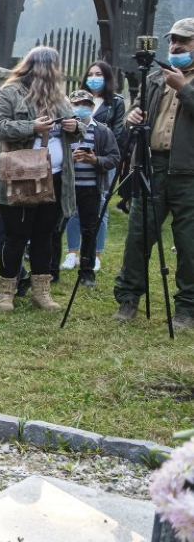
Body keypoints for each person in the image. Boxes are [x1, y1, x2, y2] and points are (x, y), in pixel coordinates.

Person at [0, 46, 84, 312]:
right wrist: (32, 127)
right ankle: (6, 291)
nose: (50, 72)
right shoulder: (10, 92)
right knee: (15, 236)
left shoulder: (59, 98)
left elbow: (78, 128)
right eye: (46, 66)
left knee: (44, 235)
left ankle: (42, 292)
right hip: (19, 177)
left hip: (55, 178)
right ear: (32, 66)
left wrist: (75, 126)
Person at [113, 18, 194, 329]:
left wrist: (184, 89)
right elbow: (137, 113)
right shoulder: (157, 78)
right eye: (173, 40)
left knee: (188, 242)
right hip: (152, 163)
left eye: (184, 41)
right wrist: (133, 116)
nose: (176, 46)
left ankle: (187, 308)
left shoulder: (177, 81)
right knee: (139, 234)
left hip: (188, 172)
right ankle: (128, 298)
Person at [61, 61, 126, 272]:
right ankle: (72, 252)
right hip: (75, 165)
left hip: (102, 158)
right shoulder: (75, 99)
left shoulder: (115, 102)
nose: (94, 77)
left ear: (106, 77)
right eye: (91, 74)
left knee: (99, 210)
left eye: (99, 74)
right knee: (72, 211)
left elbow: (116, 132)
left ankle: (95, 254)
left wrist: (96, 157)